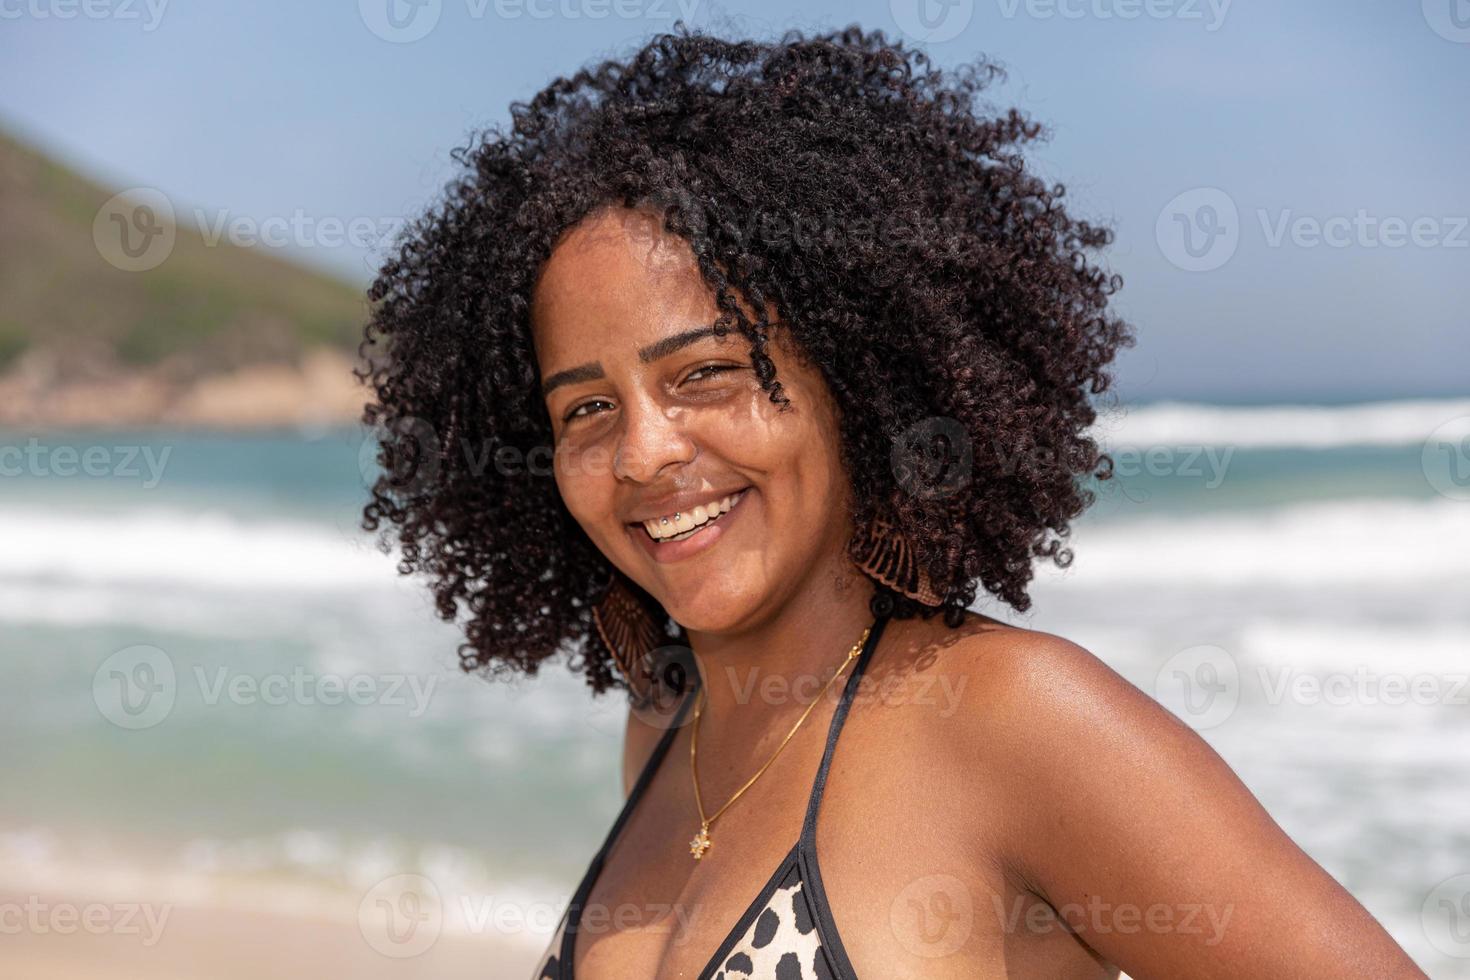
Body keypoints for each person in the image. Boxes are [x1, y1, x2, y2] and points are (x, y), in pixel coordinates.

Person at [356, 24, 1427, 979]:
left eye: (706, 373)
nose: (643, 451)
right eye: (586, 406)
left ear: (856, 385)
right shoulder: (665, 729)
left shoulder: (1016, 723)